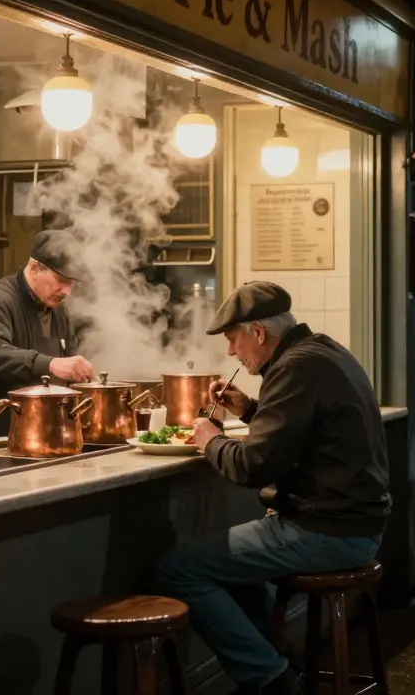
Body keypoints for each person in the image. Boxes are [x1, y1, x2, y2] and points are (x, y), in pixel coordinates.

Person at [156, 281, 390, 695]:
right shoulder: (323, 350)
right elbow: (301, 433)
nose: (231, 352)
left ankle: (272, 680)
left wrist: (209, 437)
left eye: (233, 340)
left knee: (178, 570)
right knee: (233, 567)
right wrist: (249, 410)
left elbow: (253, 467)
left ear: (258, 333)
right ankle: (281, 659)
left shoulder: (293, 368)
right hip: (356, 523)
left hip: (329, 531)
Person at [0, 229, 96, 441]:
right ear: (34, 269)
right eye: (61, 279)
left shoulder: (59, 310)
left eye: (71, 283)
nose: (67, 291)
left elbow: (68, 364)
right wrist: (50, 364)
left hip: (42, 435)